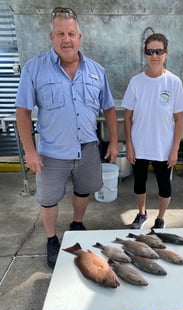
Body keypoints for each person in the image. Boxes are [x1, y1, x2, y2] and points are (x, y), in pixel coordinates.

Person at [15, 7, 118, 268]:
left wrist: (115, 141)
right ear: (52, 36)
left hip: (87, 149)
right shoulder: (34, 69)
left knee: (84, 190)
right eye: (60, 33)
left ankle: (77, 222)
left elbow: (108, 107)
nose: (66, 39)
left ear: (79, 36)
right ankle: (51, 239)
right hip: (52, 152)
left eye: (71, 33)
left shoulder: (96, 70)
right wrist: (30, 150)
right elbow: (23, 112)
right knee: (48, 199)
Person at [122, 33, 183, 229]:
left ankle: (160, 218)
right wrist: (130, 146)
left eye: (159, 51)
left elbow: (179, 119)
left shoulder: (173, 82)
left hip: (163, 147)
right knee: (139, 183)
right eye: (150, 51)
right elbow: (127, 117)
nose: (154, 55)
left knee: (164, 185)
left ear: (166, 53)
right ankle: (141, 214)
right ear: (145, 54)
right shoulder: (136, 82)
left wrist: (175, 149)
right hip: (139, 145)